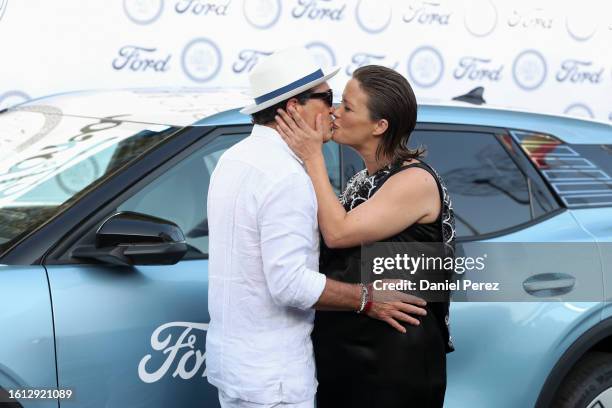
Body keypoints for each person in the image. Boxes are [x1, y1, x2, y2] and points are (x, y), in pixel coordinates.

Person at [206, 49, 428, 408]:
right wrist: (368, 298)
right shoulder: (286, 176)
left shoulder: (232, 160)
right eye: (327, 98)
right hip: (274, 378)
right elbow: (290, 284)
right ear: (295, 107)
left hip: (239, 368)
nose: (334, 110)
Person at [274, 65, 456, 408]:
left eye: (347, 107)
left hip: (391, 366)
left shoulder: (414, 181)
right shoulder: (364, 180)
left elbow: (338, 233)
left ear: (379, 126)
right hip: (348, 358)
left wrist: (312, 154)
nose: (334, 112)